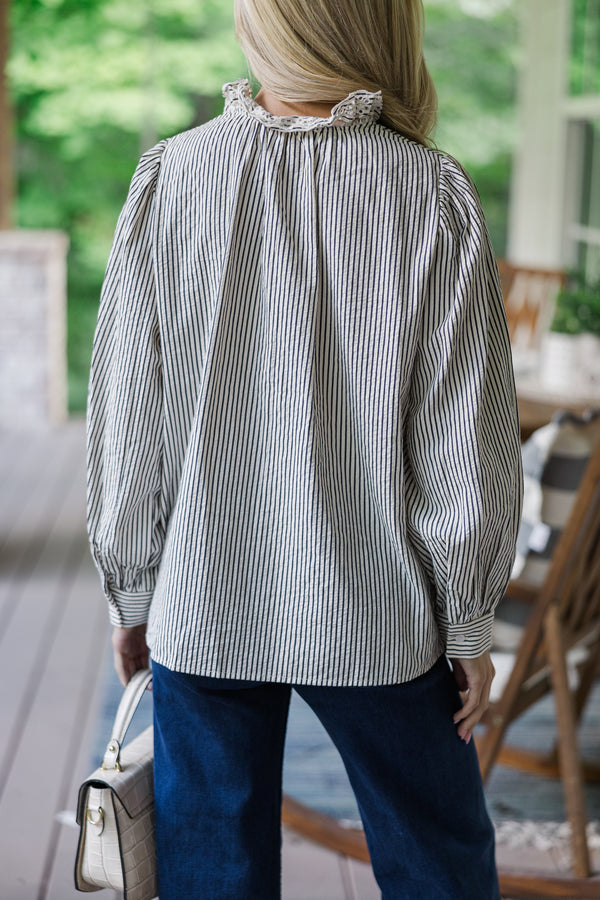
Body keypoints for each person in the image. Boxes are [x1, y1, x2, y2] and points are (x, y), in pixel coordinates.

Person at [86, 0, 523, 897]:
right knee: (438, 858)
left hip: (206, 599)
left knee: (213, 872)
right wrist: (467, 620)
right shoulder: (431, 191)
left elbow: (129, 418)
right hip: (383, 614)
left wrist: (132, 589)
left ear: (274, 29)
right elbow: (461, 438)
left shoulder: (173, 177)